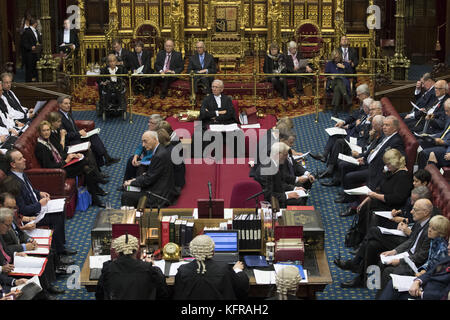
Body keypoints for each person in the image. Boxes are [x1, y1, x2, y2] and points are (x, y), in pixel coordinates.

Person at [5, 149, 76, 265]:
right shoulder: (13, 183)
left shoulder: (21, 173)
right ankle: (59, 253)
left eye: (23, 157)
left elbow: (31, 190)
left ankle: (61, 247)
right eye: (20, 159)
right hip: (30, 217)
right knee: (56, 217)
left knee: (61, 208)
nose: (24, 159)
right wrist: (39, 204)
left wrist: (39, 193)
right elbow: (22, 209)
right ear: (13, 164)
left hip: (38, 207)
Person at [35, 121, 107, 208]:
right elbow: (49, 166)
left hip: (62, 165)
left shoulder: (48, 140)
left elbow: (59, 153)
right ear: (40, 132)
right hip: (58, 172)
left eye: (48, 130)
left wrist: (72, 156)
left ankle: (95, 195)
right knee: (86, 163)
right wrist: (66, 161)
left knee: (86, 167)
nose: (46, 132)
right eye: (44, 131)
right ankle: (96, 189)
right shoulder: (41, 146)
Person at [0, 203, 65, 297]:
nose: (9, 228)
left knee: (42, 259)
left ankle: (48, 287)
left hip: (12, 260)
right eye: (7, 226)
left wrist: (16, 253)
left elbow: (6, 249)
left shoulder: (6, 221)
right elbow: (8, 248)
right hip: (7, 269)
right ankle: (45, 292)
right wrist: (4, 269)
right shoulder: (2, 229)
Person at [351, 148, 413, 235]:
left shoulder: (403, 177)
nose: (386, 166)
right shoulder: (392, 171)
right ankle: (360, 235)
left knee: (370, 211)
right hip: (383, 201)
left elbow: (397, 199)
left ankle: (364, 237)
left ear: (394, 163)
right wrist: (367, 199)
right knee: (365, 206)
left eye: (388, 164)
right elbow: (380, 188)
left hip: (393, 207)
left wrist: (375, 196)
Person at [378, 198, 433, 291]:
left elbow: (421, 257)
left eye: (415, 210)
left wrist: (400, 261)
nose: (411, 212)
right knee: (382, 261)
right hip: (407, 254)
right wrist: (394, 251)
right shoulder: (419, 221)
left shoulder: (430, 230)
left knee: (388, 272)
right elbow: (411, 240)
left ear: (425, 212)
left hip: (415, 264)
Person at [173, 235, 249, 300]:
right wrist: (237, 269)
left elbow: (177, 294)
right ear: (213, 252)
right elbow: (241, 286)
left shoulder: (182, 270)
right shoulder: (224, 268)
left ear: (192, 251)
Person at [96, 234, 169, 300]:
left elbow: (99, 295)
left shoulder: (108, 269)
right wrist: (153, 266)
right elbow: (164, 293)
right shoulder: (150, 270)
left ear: (116, 252)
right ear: (137, 250)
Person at [57, 96, 120, 168]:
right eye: (66, 103)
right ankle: (102, 165)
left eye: (69, 103)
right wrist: (78, 133)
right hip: (71, 142)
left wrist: (81, 132)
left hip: (76, 137)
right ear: (59, 105)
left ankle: (106, 158)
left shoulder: (68, 113)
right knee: (92, 145)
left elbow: (73, 127)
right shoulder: (58, 118)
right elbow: (65, 135)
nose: (68, 105)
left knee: (94, 136)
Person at [378, 241, 450, 300]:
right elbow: (430, 272)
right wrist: (417, 281)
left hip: (428, 294)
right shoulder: (447, 258)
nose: (448, 248)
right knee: (393, 283)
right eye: (449, 244)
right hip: (423, 286)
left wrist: (421, 293)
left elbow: (444, 295)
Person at [121, 131, 175, 208]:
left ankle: (131, 218)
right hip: (159, 185)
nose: (143, 145)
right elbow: (151, 174)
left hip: (158, 195)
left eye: (145, 141)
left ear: (155, 139)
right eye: (142, 142)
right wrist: (135, 180)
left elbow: (148, 180)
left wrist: (131, 182)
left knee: (126, 195)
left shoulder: (158, 156)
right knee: (129, 188)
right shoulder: (160, 150)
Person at [255, 142, 308, 208]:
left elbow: (280, 183)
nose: (286, 158)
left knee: (301, 193)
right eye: (285, 155)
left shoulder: (276, 163)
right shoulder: (266, 170)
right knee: (298, 200)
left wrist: (294, 188)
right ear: (278, 154)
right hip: (270, 201)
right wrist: (287, 195)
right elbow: (268, 195)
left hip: (277, 192)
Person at [417, 98, 450, 169]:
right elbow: (445, 132)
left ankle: (422, 177)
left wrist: (444, 142)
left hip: (447, 148)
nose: (446, 113)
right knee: (420, 141)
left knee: (425, 153)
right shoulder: (449, 117)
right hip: (443, 142)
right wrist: (430, 136)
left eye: (447, 111)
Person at [325, 49, 353, 116]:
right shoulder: (329, 64)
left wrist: (344, 67)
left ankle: (335, 110)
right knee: (337, 80)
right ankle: (347, 98)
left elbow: (351, 74)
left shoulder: (345, 63)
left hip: (343, 84)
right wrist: (330, 76)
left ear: (340, 56)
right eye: (335, 57)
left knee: (338, 87)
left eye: (337, 57)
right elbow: (326, 74)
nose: (336, 59)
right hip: (332, 83)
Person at [21, 18, 41, 82]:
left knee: (35, 69)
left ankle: (36, 81)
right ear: (35, 23)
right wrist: (30, 47)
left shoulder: (37, 31)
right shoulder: (26, 31)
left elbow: (38, 41)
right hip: (29, 54)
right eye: (37, 23)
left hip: (36, 54)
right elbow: (24, 43)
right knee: (29, 69)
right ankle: (28, 83)